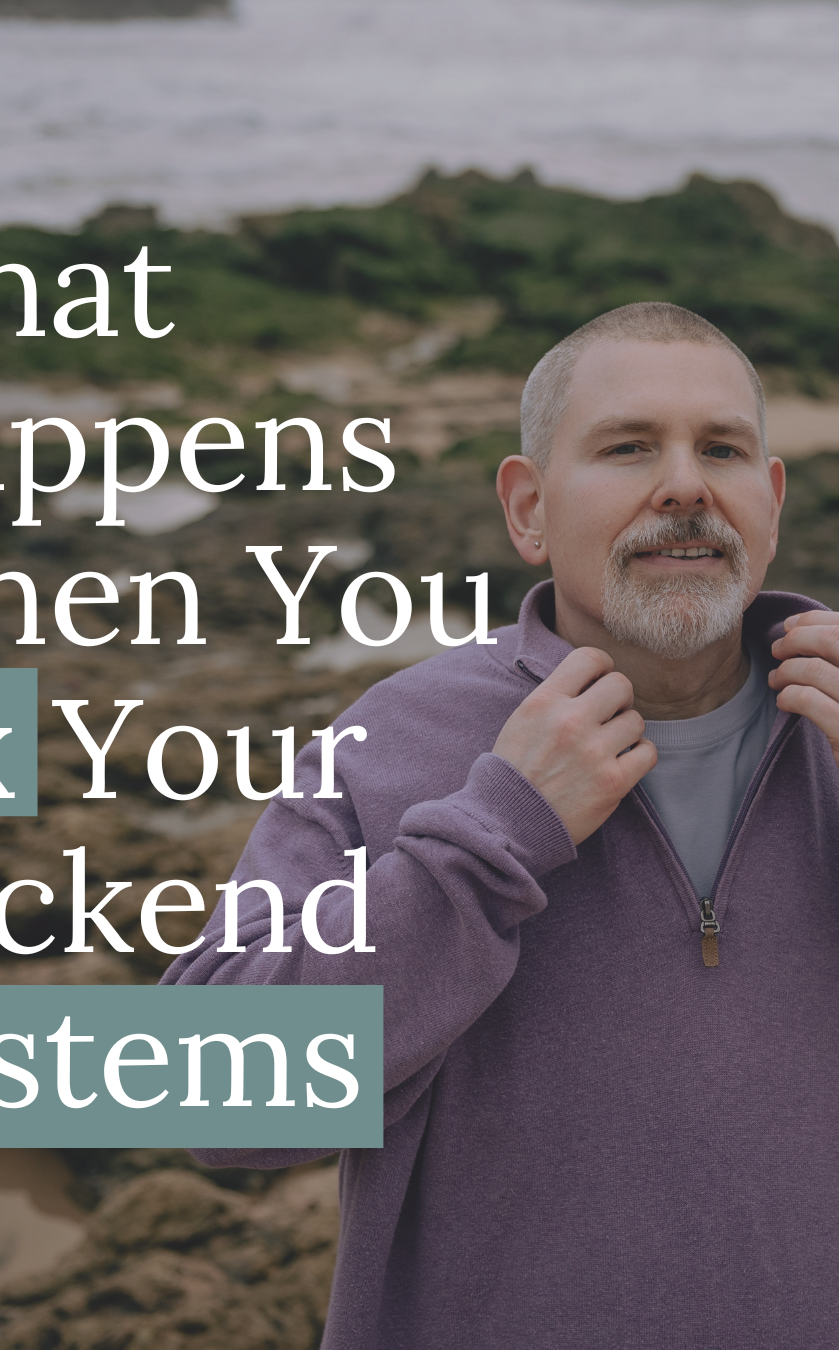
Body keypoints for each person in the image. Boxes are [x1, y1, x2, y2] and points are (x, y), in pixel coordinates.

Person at [162, 302, 839, 1348]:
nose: (686, 486)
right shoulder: (395, 742)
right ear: (528, 509)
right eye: (626, 447)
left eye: (723, 449)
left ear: (772, 499)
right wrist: (494, 836)